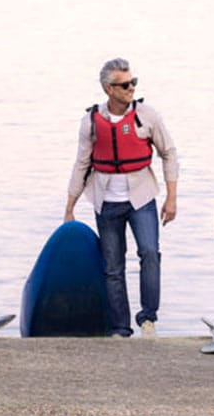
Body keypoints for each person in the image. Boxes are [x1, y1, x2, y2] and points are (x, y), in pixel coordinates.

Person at [65, 58, 180, 337]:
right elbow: (82, 163)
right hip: (106, 202)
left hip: (141, 198)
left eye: (133, 83)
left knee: (150, 253)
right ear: (109, 89)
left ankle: (148, 317)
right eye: (124, 84)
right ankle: (120, 327)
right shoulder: (91, 122)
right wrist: (70, 207)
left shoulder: (147, 116)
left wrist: (171, 197)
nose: (131, 88)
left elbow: (169, 153)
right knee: (113, 267)